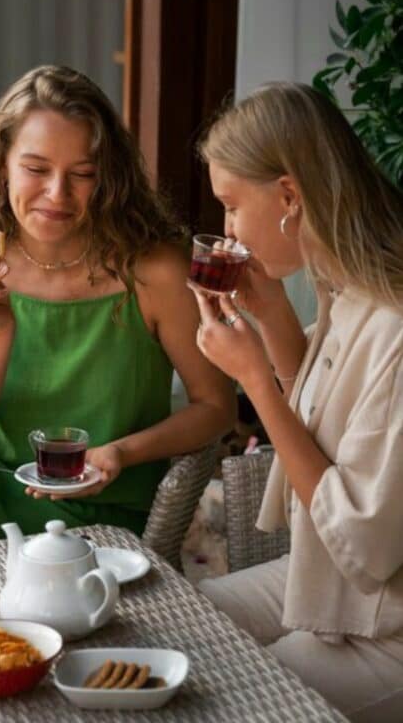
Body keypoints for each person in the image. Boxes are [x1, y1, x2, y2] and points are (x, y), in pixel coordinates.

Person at [0, 65, 235, 559]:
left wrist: (122, 453)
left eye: (82, 174)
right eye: (36, 169)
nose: (57, 194)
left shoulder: (155, 270)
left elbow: (216, 409)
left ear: (107, 176)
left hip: (106, 506)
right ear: (2, 164)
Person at [190, 82, 403, 721]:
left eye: (231, 205)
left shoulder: (395, 323)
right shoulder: (348, 285)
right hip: (328, 578)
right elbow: (319, 408)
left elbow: (364, 543)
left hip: (388, 620)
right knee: (180, 624)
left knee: (231, 698)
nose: (226, 228)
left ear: (289, 196)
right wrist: (276, 316)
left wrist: (254, 382)